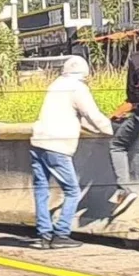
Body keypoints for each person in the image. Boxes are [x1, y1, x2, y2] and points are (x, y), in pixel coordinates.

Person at [30, 56, 113, 249]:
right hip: (57, 145)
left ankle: (44, 234)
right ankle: (61, 234)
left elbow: (70, 115)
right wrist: (109, 128)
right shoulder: (78, 88)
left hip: (38, 141)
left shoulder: (55, 84)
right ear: (84, 72)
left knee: (41, 189)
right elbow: (91, 114)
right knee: (72, 191)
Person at [107, 48, 139, 215]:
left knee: (117, 145)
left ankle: (124, 189)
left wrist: (116, 113)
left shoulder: (136, 60)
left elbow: (133, 97)